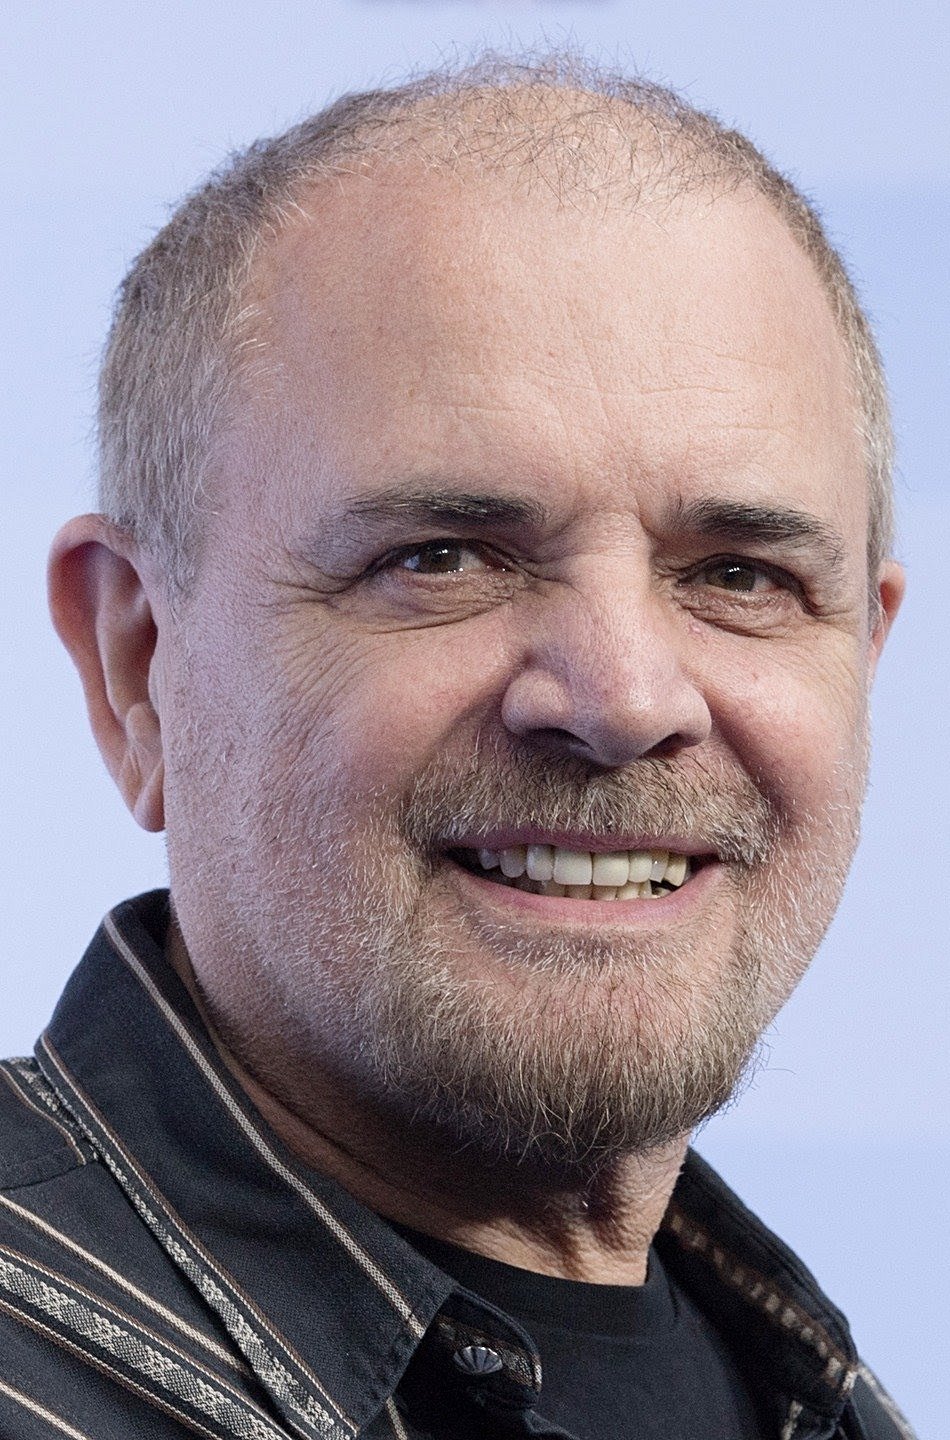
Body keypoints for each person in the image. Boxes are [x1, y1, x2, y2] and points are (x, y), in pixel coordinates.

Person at [0, 55, 917, 1440]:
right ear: (137, 661)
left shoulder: (817, 1395)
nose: (623, 698)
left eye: (739, 576)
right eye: (441, 557)